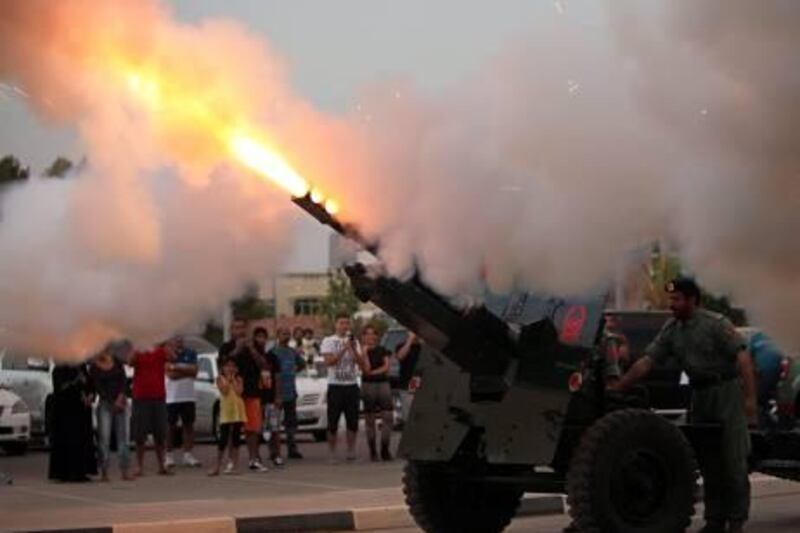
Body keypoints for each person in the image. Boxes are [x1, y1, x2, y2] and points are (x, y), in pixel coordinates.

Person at [609, 277, 757, 533]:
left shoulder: (715, 324)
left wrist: (750, 400)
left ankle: (736, 522)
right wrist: (620, 385)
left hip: (725, 394)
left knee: (733, 463)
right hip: (699, 395)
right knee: (709, 463)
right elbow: (648, 361)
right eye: (671, 299)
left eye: (676, 299)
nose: (671, 304)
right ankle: (714, 521)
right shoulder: (672, 329)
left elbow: (742, 358)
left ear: (692, 300)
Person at [321, 314, 369, 463]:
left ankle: (351, 451)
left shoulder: (355, 342)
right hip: (335, 386)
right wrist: (343, 349)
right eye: (341, 323)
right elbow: (329, 362)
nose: (345, 326)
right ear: (336, 325)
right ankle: (332, 453)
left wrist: (353, 349)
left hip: (351, 385)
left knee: (352, 421)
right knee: (333, 421)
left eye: (347, 323)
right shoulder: (328, 341)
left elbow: (361, 364)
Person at [89, 344, 133, 481]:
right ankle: (104, 472)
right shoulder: (94, 367)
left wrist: (121, 397)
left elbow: (124, 381)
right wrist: (112, 401)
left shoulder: (117, 362)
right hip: (105, 404)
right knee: (104, 439)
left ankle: (125, 471)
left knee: (124, 438)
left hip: (121, 403)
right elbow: (98, 387)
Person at [130, 342, 174, 477]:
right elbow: (130, 361)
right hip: (141, 396)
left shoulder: (160, 350)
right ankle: (139, 466)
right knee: (140, 434)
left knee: (160, 433)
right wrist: (136, 348)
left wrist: (165, 345)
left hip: (158, 396)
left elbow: (172, 357)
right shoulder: (138, 349)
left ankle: (161, 465)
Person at [49, 363, 97, 482]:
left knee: (82, 441)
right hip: (66, 412)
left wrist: (90, 395)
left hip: (81, 411)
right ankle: (66, 473)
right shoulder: (60, 369)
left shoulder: (81, 368)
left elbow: (90, 384)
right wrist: (76, 382)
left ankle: (81, 471)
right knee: (68, 441)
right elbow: (60, 388)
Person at [232, 323, 270, 472]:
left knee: (252, 428)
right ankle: (231, 461)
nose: (240, 331)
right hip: (234, 394)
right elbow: (224, 364)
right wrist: (238, 349)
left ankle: (253, 459)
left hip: (252, 392)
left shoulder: (255, 347)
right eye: (237, 327)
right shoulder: (227, 346)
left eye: (243, 328)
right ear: (231, 330)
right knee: (232, 428)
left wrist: (251, 349)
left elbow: (263, 365)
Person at [267, 327, 307, 463]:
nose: (287, 336)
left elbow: (302, 364)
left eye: (288, 334)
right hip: (276, 393)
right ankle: (273, 450)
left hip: (290, 391)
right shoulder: (272, 352)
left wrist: (294, 370)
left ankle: (292, 449)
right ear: (277, 335)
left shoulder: (292, 352)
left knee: (291, 422)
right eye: (284, 334)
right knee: (274, 422)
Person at [164, 334, 201, 469]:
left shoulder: (191, 353)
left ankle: (188, 455)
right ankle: (168, 456)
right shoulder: (167, 354)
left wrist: (176, 368)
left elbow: (195, 371)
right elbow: (170, 375)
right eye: (176, 338)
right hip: (171, 397)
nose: (179, 341)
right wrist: (186, 370)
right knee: (170, 426)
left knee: (188, 426)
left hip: (188, 396)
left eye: (181, 338)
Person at [360, 325, 394, 461]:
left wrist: (374, 372)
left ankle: (385, 448)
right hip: (368, 385)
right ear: (363, 337)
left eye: (373, 334)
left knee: (388, 417)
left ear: (376, 336)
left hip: (383, 383)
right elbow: (364, 368)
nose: (370, 336)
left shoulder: (383, 350)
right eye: (367, 334)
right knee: (370, 419)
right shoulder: (361, 351)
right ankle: (372, 451)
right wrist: (364, 352)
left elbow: (386, 366)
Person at [209, 357, 247, 476]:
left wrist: (233, 380)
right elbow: (224, 391)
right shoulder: (220, 379)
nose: (230, 368)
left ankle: (234, 465)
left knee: (236, 438)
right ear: (223, 368)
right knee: (223, 439)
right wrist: (229, 380)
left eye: (233, 366)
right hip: (226, 412)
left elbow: (239, 392)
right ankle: (217, 466)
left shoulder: (239, 379)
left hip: (237, 411)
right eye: (228, 366)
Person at [393, 332, 420, 427]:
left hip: (422, 383)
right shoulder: (401, 345)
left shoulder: (425, 347)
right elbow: (400, 356)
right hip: (407, 382)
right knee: (408, 414)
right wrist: (410, 340)